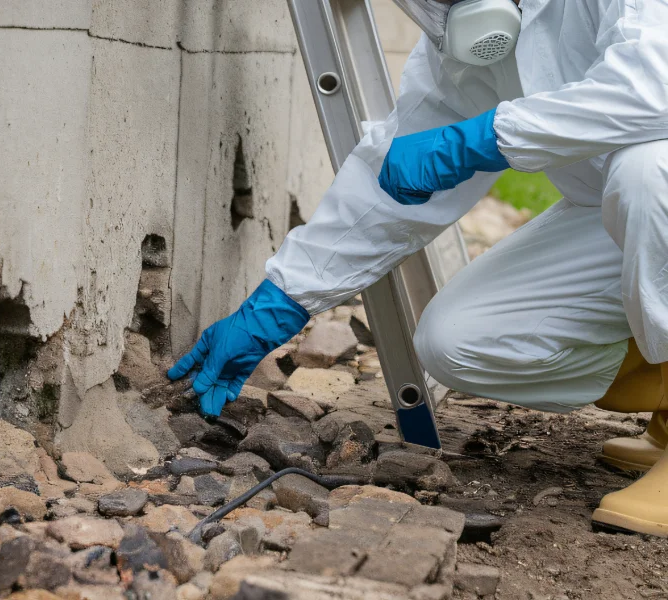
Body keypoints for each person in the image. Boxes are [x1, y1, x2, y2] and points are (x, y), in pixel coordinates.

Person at [168, 0, 668, 537]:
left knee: (647, 174)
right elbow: (388, 188)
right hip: (622, 213)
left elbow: (653, 84)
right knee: (456, 340)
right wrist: (279, 302)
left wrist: (486, 138)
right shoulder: (477, 34)